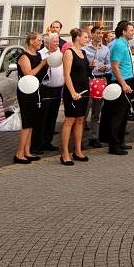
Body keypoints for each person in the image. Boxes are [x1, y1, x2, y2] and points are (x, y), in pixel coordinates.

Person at [100, 20, 134, 156]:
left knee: (124, 113)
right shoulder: (119, 45)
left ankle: (120, 140)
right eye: (131, 30)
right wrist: (124, 84)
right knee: (117, 114)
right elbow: (115, 67)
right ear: (124, 32)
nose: (133, 32)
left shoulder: (125, 44)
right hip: (121, 82)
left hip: (127, 79)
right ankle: (113, 144)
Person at [58, 28, 91, 165]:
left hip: (84, 90)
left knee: (80, 119)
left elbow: (84, 72)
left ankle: (78, 149)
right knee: (70, 120)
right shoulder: (69, 52)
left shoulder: (83, 52)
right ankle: (65, 153)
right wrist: (72, 92)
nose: (87, 39)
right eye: (85, 37)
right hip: (73, 90)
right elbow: (67, 74)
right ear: (77, 38)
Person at [13, 32, 46, 164]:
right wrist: (41, 65)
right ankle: (19, 153)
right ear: (31, 41)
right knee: (26, 122)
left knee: (32, 121)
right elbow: (29, 73)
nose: (41, 42)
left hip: (35, 90)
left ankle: (27, 151)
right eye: (39, 40)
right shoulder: (24, 56)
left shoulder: (37, 55)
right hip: (26, 90)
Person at [37, 33, 64, 151]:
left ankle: (48, 140)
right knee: (43, 117)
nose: (57, 43)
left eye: (58, 41)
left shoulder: (60, 53)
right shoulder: (41, 54)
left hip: (58, 89)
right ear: (47, 43)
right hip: (46, 89)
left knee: (53, 117)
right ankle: (38, 142)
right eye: (54, 42)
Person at [84, 25, 110, 147]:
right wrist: (89, 66)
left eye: (102, 33)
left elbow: (109, 64)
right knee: (85, 108)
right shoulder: (85, 49)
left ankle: (93, 137)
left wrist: (105, 67)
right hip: (89, 79)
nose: (100, 36)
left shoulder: (105, 49)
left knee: (97, 111)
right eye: (98, 33)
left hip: (101, 79)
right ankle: (78, 136)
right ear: (92, 34)